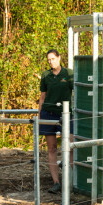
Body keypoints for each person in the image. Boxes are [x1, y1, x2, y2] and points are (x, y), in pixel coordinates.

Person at [38, 49, 73, 193]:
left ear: (59, 58)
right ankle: (56, 182)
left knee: (71, 144)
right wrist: (40, 116)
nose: (51, 62)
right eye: (49, 60)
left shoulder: (69, 74)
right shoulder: (46, 75)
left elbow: (76, 91)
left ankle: (70, 180)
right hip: (48, 113)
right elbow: (42, 96)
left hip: (66, 113)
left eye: (53, 59)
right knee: (52, 148)